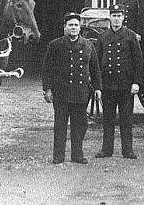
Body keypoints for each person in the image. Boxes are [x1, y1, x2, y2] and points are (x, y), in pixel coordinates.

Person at [42, 12, 102, 164]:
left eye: (76, 25)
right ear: (65, 28)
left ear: (80, 27)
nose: (73, 28)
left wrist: (97, 88)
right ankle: (58, 156)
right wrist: (47, 89)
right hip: (61, 92)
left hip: (81, 93)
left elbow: (95, 69)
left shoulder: (88, 46)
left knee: (80, 125)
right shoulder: (55, 45)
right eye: (70, 25)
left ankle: (77, 155)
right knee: (60, 125)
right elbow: (47, 69)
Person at [94, 4, 143, 159]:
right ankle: (106, 150)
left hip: (125, 85)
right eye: (114, 16)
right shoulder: (102, 37)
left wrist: (136, 82)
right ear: (110, 17)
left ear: (123, 18)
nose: (116, 19)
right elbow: (96, 62)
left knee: (126, 119)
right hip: (108, 85)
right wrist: (98, 85)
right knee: (107, 119)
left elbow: (138, 61)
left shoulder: (130, 36)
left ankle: (127, 150)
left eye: (119, 16)